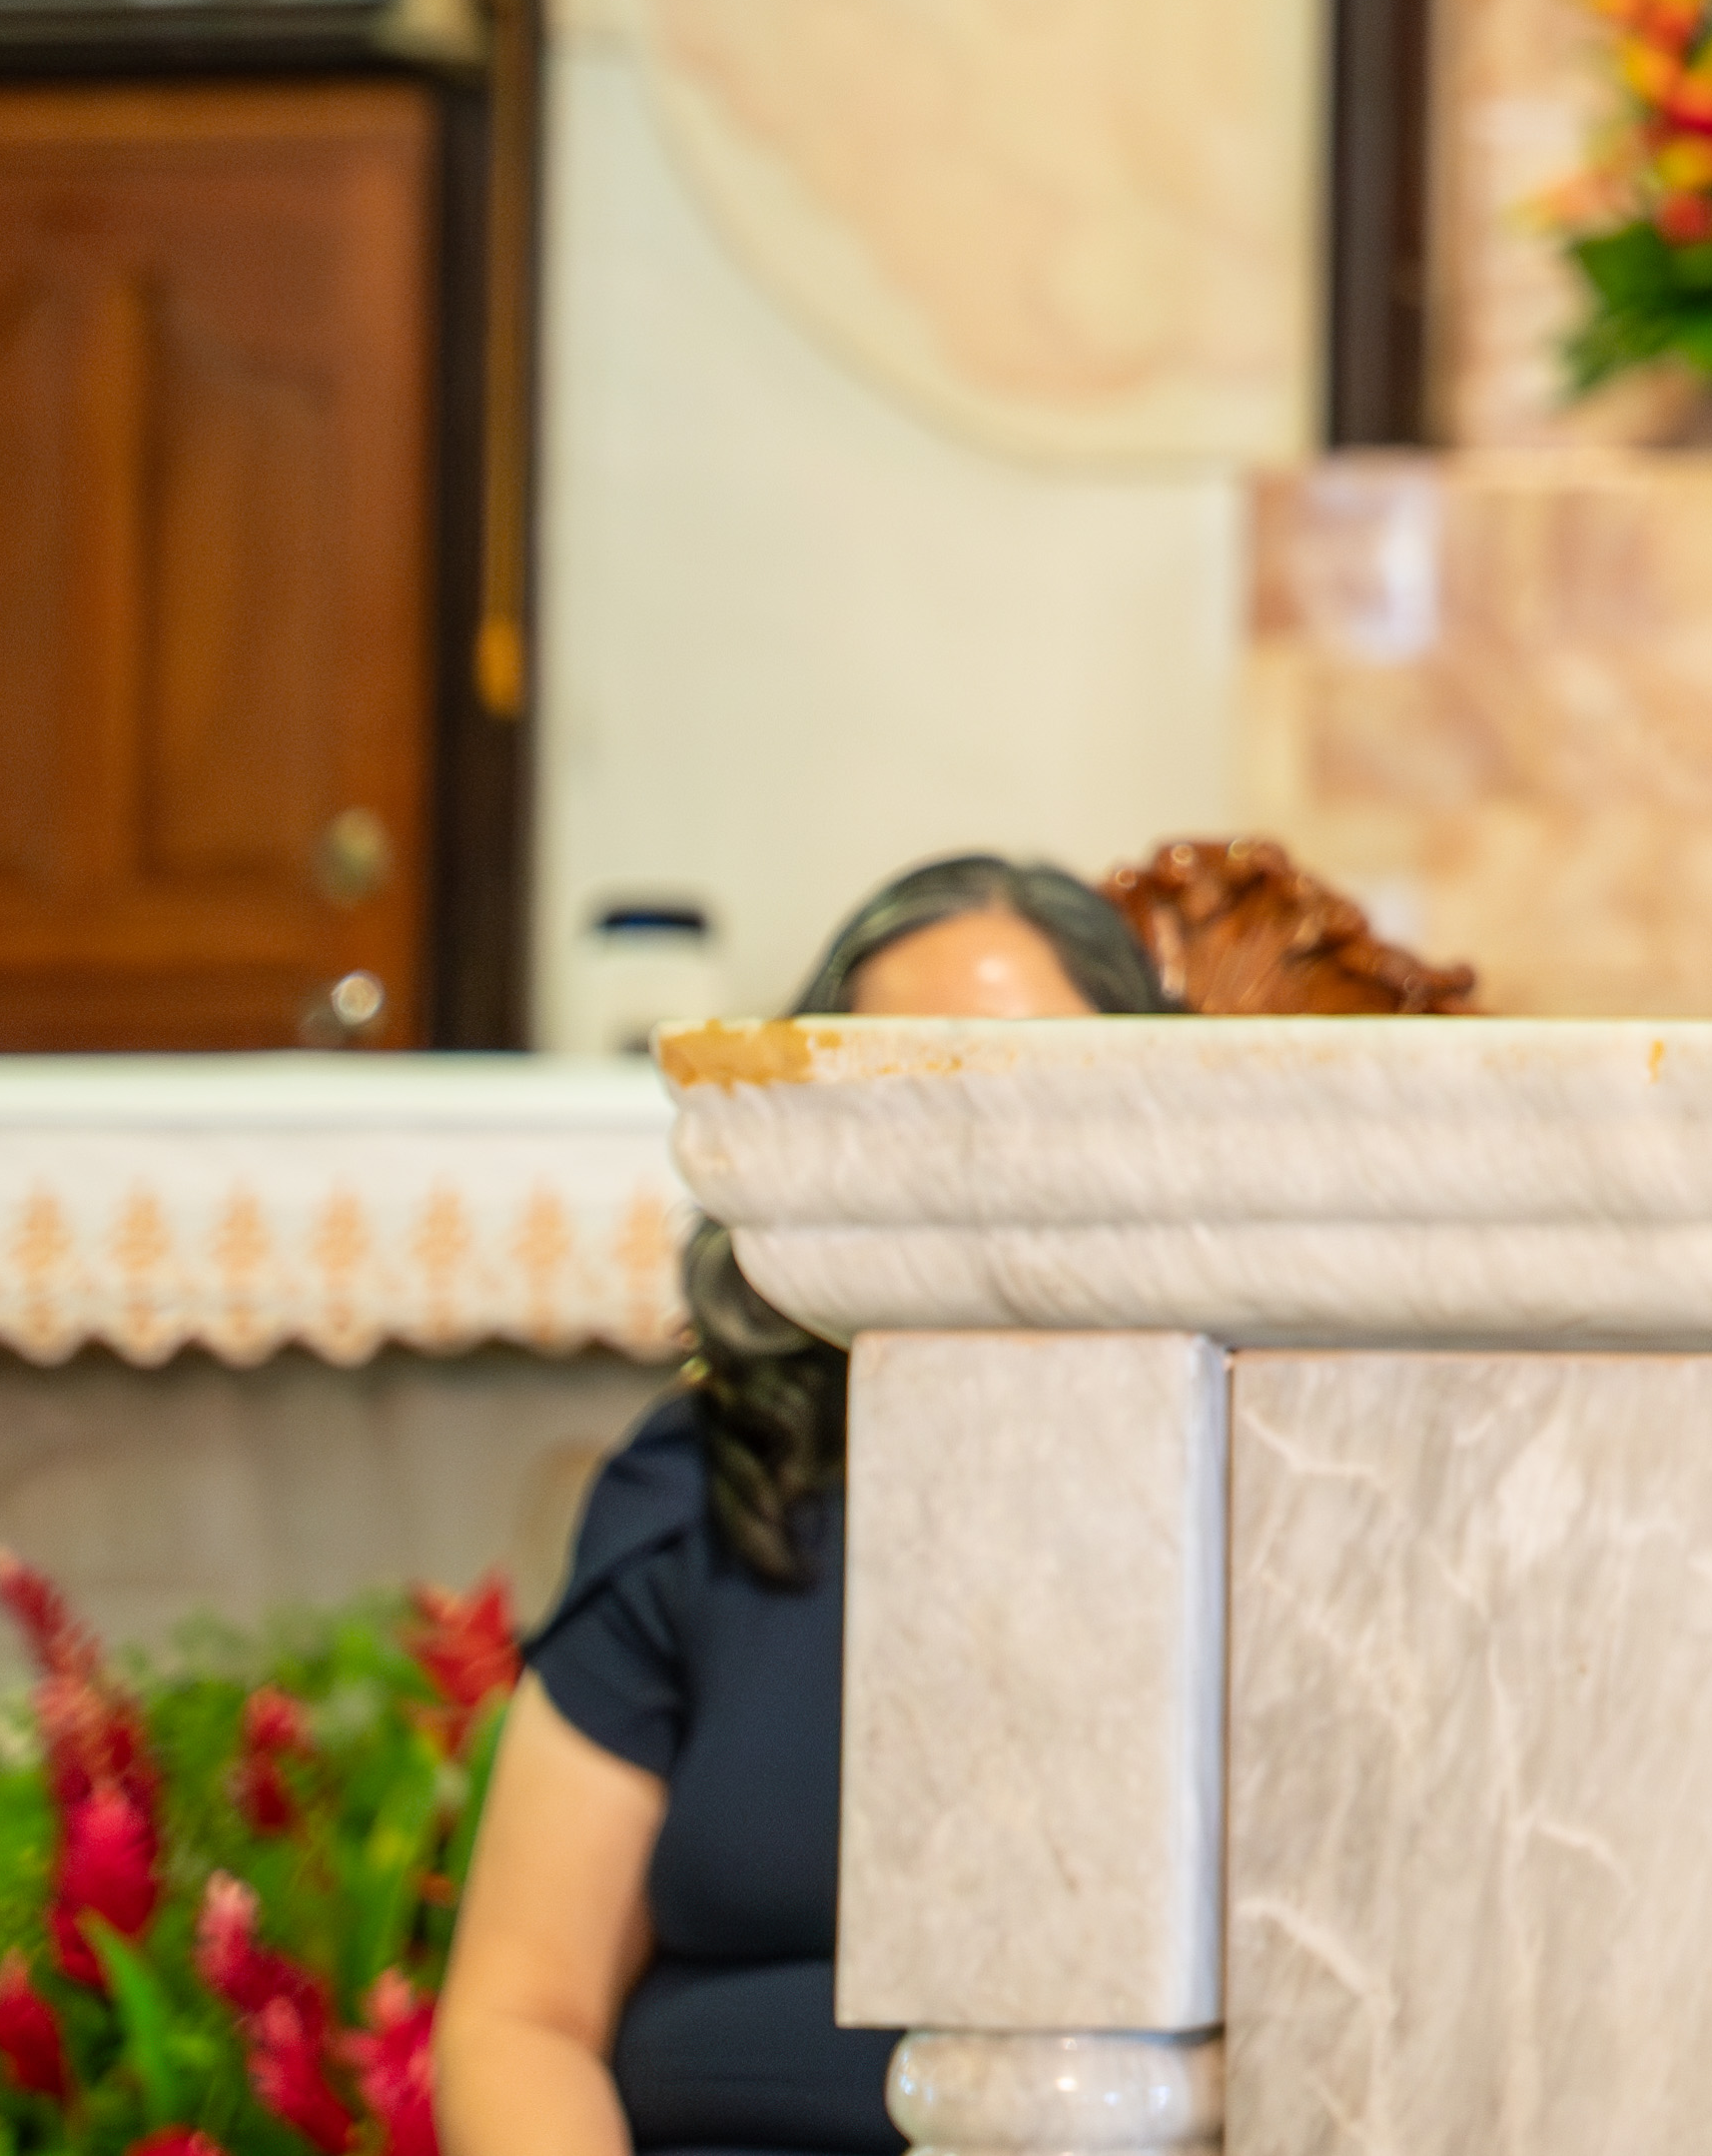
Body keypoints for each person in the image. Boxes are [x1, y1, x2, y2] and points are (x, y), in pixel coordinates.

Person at [435, 861, 1179, 2156]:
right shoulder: (705, 1488)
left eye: (1027, 1087)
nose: (974, 1150)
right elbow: (522, 2012)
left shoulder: (1253, 1495)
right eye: (908, 1091)